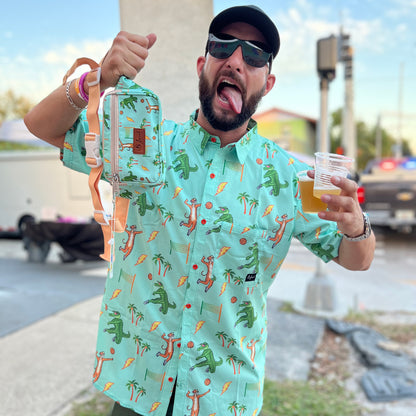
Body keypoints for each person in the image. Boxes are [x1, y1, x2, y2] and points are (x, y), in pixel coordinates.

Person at [24, 5, 375, 416]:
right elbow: (41, 125)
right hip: (137, 390)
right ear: (202, 65)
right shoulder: (141, 144)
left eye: (256, 54)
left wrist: (357, 227)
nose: (237, 60)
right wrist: (94, 79)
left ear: (269, 81)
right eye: (223, 46)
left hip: (223, 399)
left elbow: (358, 258)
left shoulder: (291, 178)